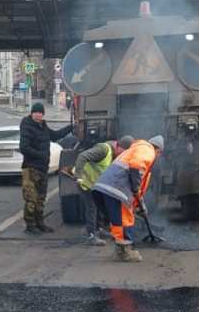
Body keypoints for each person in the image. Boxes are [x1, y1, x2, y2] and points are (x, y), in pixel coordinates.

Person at [92, 135, 164, 262]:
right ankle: (126, 251)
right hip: (117, 188)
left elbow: (138, 188)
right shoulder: (147, 149)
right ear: (158, 150)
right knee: (126, 220)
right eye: (159, 154)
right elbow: (136, 167)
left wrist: (140, 205)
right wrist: (135, 188)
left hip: (105, 187)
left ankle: (120, 251)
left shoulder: (134, 150)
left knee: (117, 221)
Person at [19, 101, 74, 235]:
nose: (38, 115)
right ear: (32, 113)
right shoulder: (27, 126)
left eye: (40, 113)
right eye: (36, 112)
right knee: (31, 198)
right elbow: (24, 148)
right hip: (31, 168)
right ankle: (30, 226)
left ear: (43, 115)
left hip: (43, 168)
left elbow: (54, 136)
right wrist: (40, 155)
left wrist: (70, 128)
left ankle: (40, 223)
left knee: (41, 198)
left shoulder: (43, 126)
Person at [73, 132, 134, 245]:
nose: (124, 155)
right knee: (92, 209)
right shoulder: (103, 150)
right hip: (85, 183)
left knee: (99, 207)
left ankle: (98, 229)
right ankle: (91, 236)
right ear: (120, 146)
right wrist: (78, 175)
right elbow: (82, 156)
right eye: (124, 152)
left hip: (95, 185)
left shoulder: (114, 154)